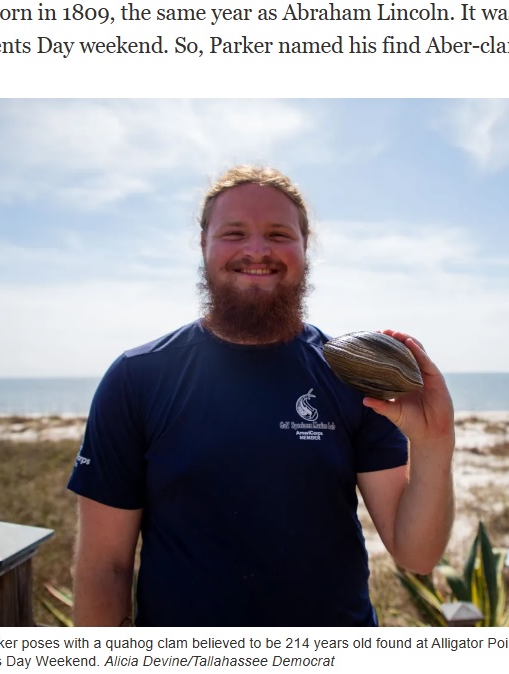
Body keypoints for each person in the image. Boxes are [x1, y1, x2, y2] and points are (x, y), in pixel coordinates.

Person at [67, 165, 455, 627]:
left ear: (305, 247)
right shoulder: (136, 378)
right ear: (204, 246)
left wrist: (433, 444)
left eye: (277, 233)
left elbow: (417, 555)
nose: (256, 250)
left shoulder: (351, 375)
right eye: (234, 233)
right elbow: (103, 567)